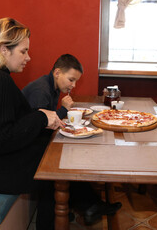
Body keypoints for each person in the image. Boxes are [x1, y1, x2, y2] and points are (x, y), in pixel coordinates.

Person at [0, 17, 64, 230]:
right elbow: (0, 140)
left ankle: (61, 215)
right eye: (23, 51)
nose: (28, 57)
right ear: (3, 49)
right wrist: (41, 118)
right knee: (54, 162)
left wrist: (41, 115)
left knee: (50, 144)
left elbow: (7, 121)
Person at [22, 54, 122, 225]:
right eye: (71, 79)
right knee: (64, 164)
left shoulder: (50, 86)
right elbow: (39, 126)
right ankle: (65, 214)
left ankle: (88, 205)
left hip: (37, 139)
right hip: (28, 148)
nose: (73, 85)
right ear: (57, 72)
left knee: (74, 155)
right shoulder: (41, 91)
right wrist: (64, 110)